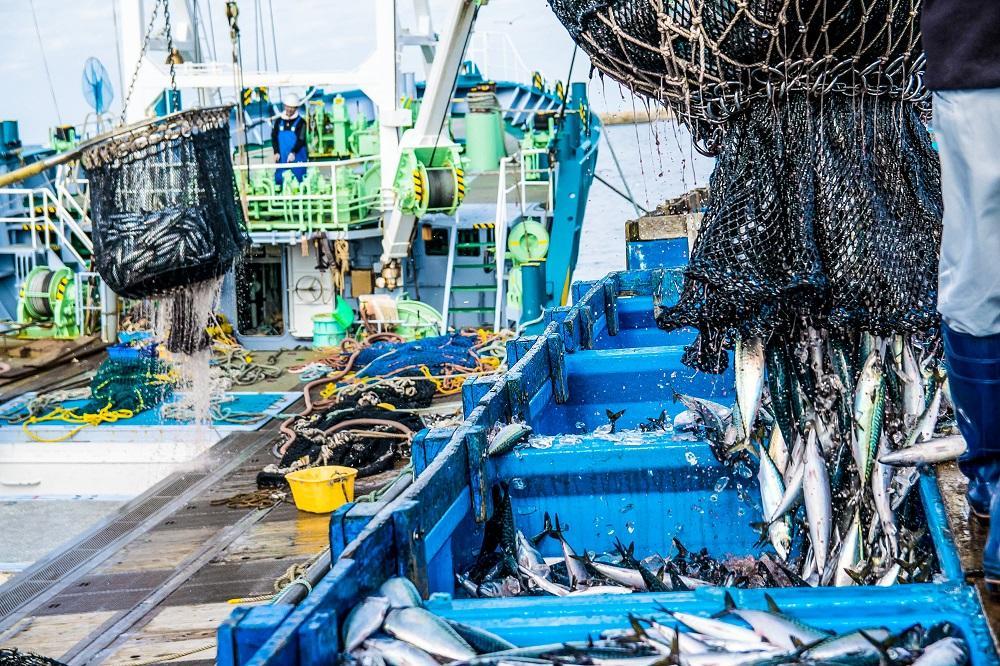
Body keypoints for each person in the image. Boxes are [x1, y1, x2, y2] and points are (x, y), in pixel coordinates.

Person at [921, 1, 1000, 592]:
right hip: (975, 58)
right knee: (979, 281)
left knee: (980, 278)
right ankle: (993, 482)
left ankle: (991, 485)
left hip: (972, 57)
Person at [271, 92, 308, 186]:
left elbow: (301, 139)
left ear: (296, 108)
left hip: (297, 157)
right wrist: (276, 152)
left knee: (298, 180)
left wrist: (293, 152)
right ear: (284, 106)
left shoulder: (301, 122)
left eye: (292, 107)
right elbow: (274, 137)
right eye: (287, 107)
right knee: (280, 179)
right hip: (282, 158)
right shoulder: (279, 122)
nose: (289, 109)